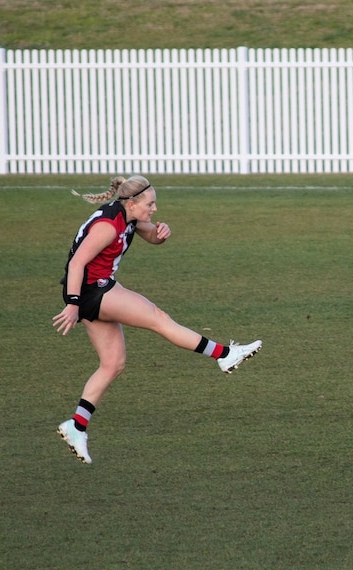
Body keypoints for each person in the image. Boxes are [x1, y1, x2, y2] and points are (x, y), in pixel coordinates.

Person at [52, 175, 262, 464]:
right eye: (150, 204)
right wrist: (74, 304)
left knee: (113, 364)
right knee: (157, 318)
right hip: (90, 291)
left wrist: (160, 233)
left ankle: (76, 425)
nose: (154, 209)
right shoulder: (107, 226)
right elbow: (76, 263)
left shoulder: (128, 216)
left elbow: (150, 235)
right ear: (132, 202)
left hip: (95, 288)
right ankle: (224, 354)